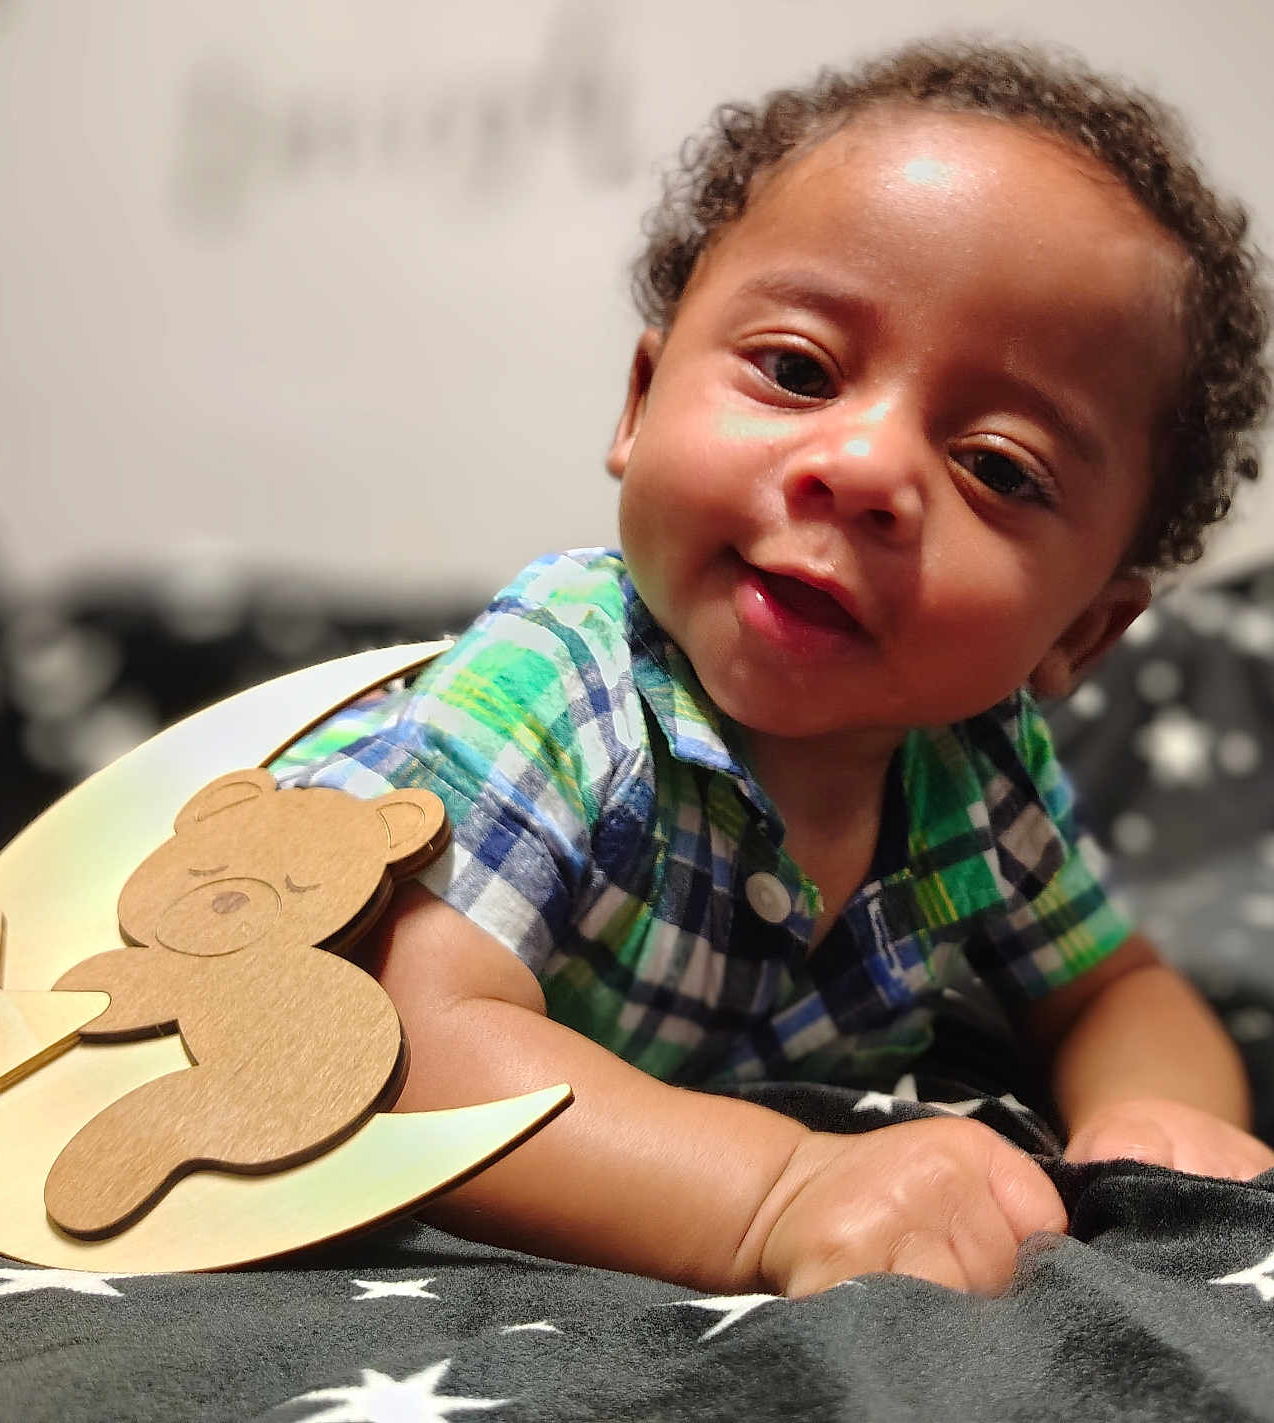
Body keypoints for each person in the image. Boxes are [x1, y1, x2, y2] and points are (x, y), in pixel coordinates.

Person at [275, 39, 1274, 1298]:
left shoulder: (977, 772)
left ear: (1080, 634)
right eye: (796, 371)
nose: (860, 467)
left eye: (998, 466)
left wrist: (1150, 1112)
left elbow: (1112, 987)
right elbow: (396, 1040)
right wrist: (773, 1190)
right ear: (640, 404)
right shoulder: (561, 680)